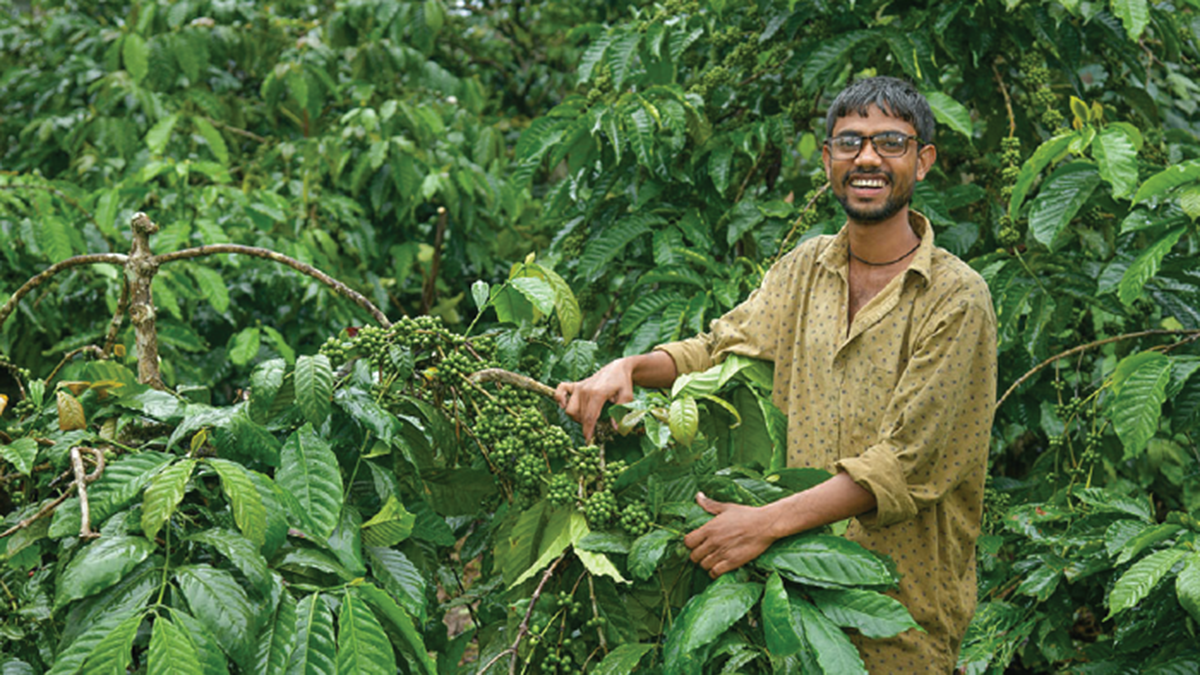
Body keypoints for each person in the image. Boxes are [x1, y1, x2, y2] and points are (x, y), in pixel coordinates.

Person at [555, 76, 997, 672]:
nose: (867, 158)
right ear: (827, 159)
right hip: (790, 592)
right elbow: (718, 347)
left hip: (900, 608)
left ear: (923, 162)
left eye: (890, 142)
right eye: (850, 142)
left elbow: (905, 463)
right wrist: (628, 367)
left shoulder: (956, 297)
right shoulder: (804, 267)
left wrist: (762, 524)